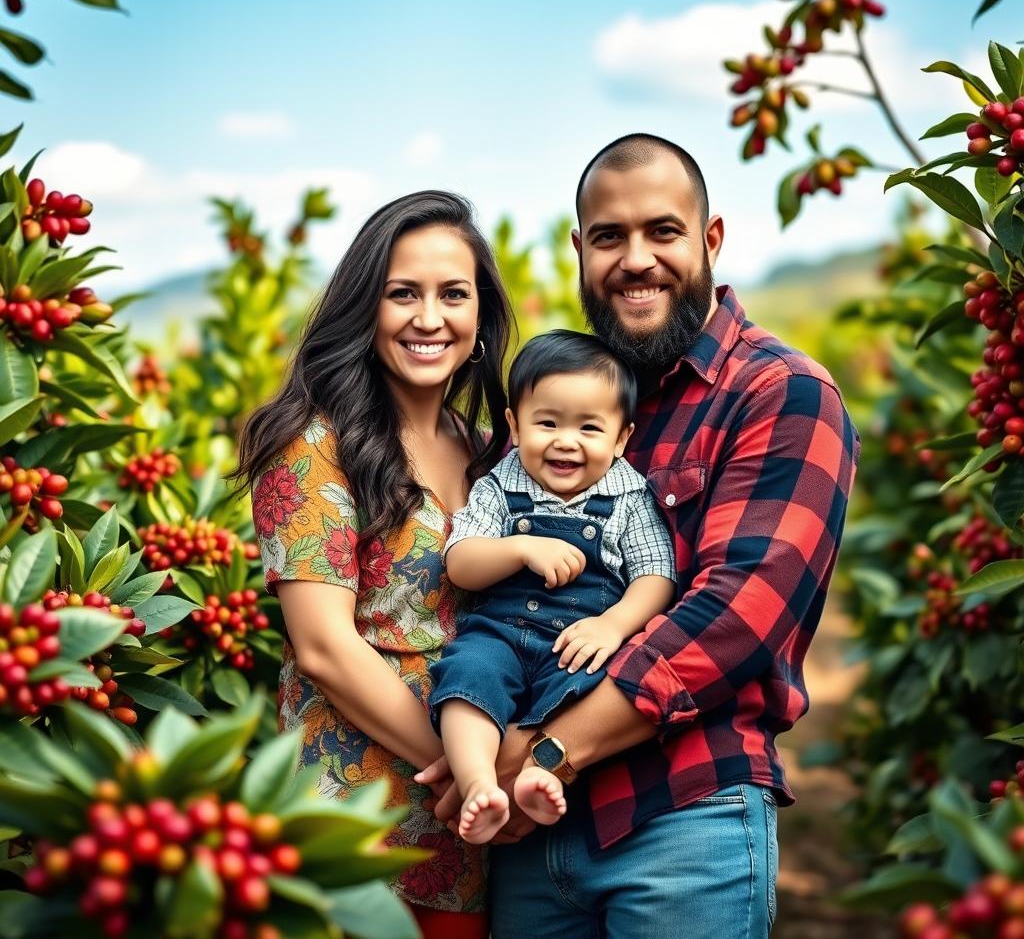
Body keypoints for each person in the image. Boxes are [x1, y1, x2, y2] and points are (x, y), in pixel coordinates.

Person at [418, 134, 860, 938]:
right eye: (610, 237)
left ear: (710, 240)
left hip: (682, 816)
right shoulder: (569, 397)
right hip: (532, 838)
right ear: (580, 249)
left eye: (663, 231)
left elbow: (738, 615)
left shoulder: (780, 392)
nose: (637, 259)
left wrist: (542, 753)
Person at [238, 190, 514, 939]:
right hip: (355, 818)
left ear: (480, 317)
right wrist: (465, 769)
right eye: (402, 294)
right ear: (365, 308)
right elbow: (324, 647)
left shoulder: (490, 448)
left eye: (453, 294)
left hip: (469, 830)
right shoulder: (312, 441)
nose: (430, 318)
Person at [428, 330, 676, 843]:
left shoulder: (628, 494)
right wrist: (519, 549)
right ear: (516, 427)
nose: (566, 441)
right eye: (547, 423)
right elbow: (461, 563)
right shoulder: (500, 485)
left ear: (621, 437)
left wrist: (614, 624)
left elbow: (656, 575)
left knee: (585, 692)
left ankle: (540, 775)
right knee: (466, 679)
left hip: (577, 645)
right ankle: (479, 784)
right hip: (500, 635)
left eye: (589, 427)